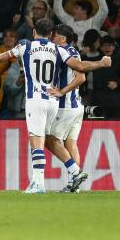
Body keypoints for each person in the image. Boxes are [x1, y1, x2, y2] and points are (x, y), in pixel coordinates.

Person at [0, 19, 112, 193]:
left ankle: (38, 183)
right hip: (53, 101)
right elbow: (79, 66)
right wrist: (101, 63)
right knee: (49, 139)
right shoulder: (58, 49)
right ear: (50, 34)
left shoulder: (25, 47)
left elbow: (1, 57)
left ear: (34, 32)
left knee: (36, 139)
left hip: (35, 100)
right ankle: (75, 171)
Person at [46, 25, 88, 193]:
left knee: (50, 139)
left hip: (66, 106)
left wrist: (62, 91)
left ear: (62, 39)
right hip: (77, 106)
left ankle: (76, 172)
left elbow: (81, 77)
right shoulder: (73, 51)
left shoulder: (65, 53)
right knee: (70, 144)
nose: (51, 37)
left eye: (54, 35)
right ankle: (74, 186)